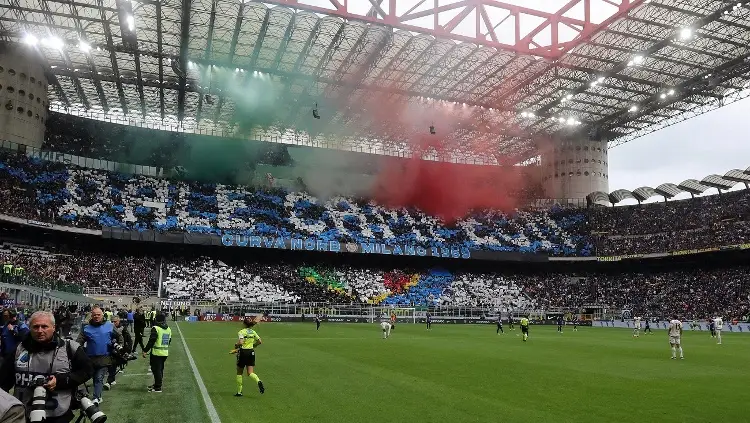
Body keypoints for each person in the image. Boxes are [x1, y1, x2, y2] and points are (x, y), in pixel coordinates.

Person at [0, 311, 93, 423]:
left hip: (58, 413)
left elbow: (87, 371)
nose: (40, 331)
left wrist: (59, 381)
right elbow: (4, 381)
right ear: (30, 328)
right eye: (35, 327)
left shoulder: (69, 348)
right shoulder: (19, 349)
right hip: (24, 413)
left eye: (44, 326)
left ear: (54, 328)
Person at [77, 306, 123, 404]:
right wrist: (78, 350)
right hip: (90, 358)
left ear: (102, 315)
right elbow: (79, 341)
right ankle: (87, 395)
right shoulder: (86, 328)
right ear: (91, 316)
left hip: (104, 357)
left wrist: (119, 347)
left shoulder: (109, 325)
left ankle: (96, 398)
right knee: (91, 377)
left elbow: (119, 336)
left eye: (98, 315)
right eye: (94, 315)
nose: (96, 316)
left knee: (99, 377)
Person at [233, 316, 264, 397]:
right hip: (251, 352)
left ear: (244, 324)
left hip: (243, 352)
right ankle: (258, 380)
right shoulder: (253, 332)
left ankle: (239, 392)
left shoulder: (241, 332)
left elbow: (241, 342)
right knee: (250, 372)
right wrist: (254, 345)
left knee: (239, 372)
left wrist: (236, 345)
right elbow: (260, 341)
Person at [142, 313, 171, 393]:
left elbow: (152, 340)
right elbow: (169, 341)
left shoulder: (156, 328)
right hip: (165, 352)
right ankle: (157, 385)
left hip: (156, 352)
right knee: (160, 369)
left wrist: (145, 350)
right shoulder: (168, 329)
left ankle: (158, 387)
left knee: (156, 370)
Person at [105, 316, 133, 390]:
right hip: (112, 349)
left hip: (120, 350)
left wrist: (127, 350)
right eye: (112, 322)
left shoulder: (123, 329)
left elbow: (129, 340)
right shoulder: (109, 329)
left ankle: (109, 381)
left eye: (115, 321)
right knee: (112, 365)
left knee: (113, 365)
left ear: (118, 321)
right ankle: (111, 380)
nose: (114, 323)